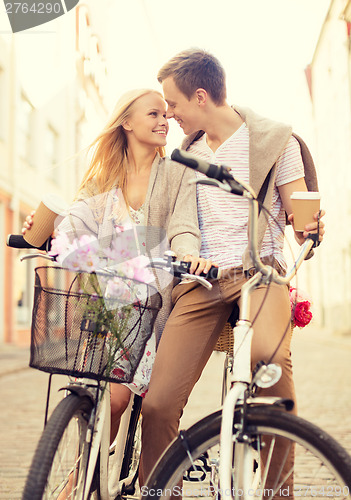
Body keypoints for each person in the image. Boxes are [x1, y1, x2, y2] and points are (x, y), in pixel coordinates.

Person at [140, 49, 325, 495]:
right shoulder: (188, 155)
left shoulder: (276, 142)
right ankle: (159, 491)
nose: (171, 116)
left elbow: (300, 217)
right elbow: (176, 223)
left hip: (259, 274)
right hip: (201, 282)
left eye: (174, 105)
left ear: (200, 97)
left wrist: (310, 228)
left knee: (270, 365)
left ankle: (278, 492)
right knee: (158, 404)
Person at [22, 88, 214, 495]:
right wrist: (43, 231)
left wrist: (188, 252)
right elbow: (73, 224)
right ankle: (85, 472)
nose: (165, 120)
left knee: (116, 398)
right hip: (102, 302)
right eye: (154, 113)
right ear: (126, 122)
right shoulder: (102, 178)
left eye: (166, 113)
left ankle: (78, 481)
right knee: (104, 395)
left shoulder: (177, 171)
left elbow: (183, 225)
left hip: (150, 305)